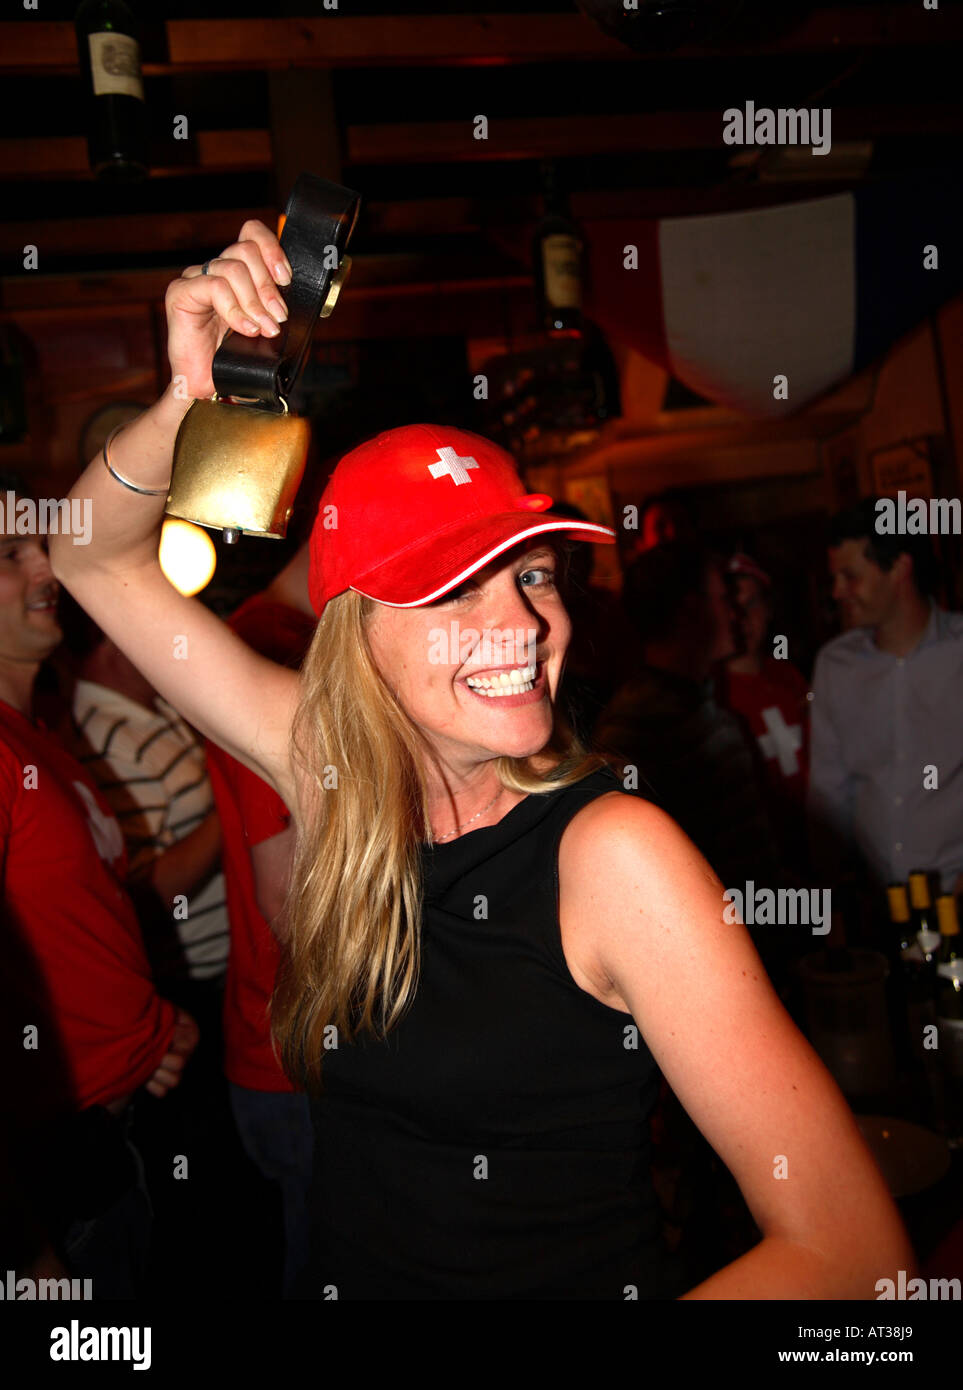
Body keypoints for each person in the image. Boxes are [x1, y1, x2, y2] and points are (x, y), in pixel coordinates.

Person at [50, 219, 916, 1300]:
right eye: (457, 584)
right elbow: (88, 553)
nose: (523, 620)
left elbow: (853, 1252)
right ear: (354, 630)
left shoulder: (614, 854)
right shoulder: (325, 764)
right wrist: (183, 397)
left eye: (535, 573)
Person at [0, 485, 198, 1295]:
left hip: (102, 1142)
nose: (46, 564)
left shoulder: (39, 730)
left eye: (38, 544)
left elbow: (78, 925)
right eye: (8, 556)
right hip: (45, 1179)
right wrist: (21, 1251)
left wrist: (148, 1028)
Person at [202, 541, 317, 1297]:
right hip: (303, 1062)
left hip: (286, 1046)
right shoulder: (268, 652)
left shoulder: (271, 640)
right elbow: (287, 900)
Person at [808, 499, 963, 915]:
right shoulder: (834, 665)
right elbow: (828, 791)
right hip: (877, 907)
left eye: (851, 576)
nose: (838, 592)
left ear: (899, 569)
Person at [719, 552, 811, 877]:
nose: (742, 617)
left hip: (813, 848)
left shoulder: (792, 678)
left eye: (752, 604)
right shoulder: (709, 696)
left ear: (769, 610)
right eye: (732, 605)